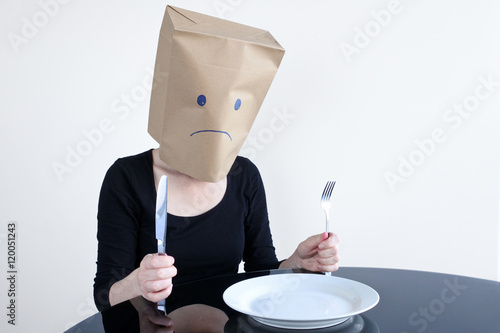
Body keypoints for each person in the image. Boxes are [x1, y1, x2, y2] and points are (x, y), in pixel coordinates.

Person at [93, 6, 340, 333]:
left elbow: (260, 272)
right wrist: (138, 282)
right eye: (200, 103)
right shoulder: (126, 178)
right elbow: (104, 294)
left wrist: (297, 262)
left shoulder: (245, 177)